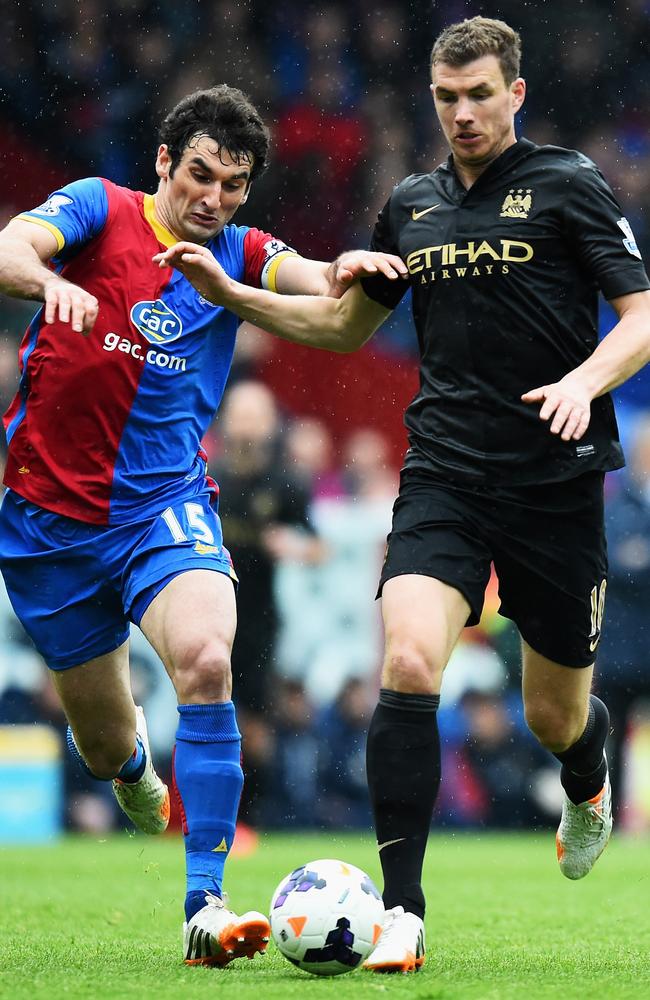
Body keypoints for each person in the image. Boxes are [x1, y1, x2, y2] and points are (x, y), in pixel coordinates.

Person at [152, 17, 650, 974]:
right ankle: (404, 913)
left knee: (553, 714)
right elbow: (342, 325)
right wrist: (230, 293)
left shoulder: (569, 187)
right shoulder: (412, 205)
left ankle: (587, 772)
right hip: (445, 476)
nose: (461, 114)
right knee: (411, 661)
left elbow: (637, 317)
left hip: (554, 485)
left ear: (515, 94)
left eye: (478, 96)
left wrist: (585, 384)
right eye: (445, 98)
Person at [0, 83, 406, 968]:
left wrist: (353, 271)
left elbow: (319, 292)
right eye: (199, 176)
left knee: (209, 660)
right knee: (108, 744)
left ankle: (205, 905)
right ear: (163, 164)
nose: (212, 198)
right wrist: (44, 284)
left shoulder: (238, 252)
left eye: (233, 184)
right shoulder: (98, 210)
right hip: (45, 525)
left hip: (162, 509)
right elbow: (10, 248)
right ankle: (134, 768)